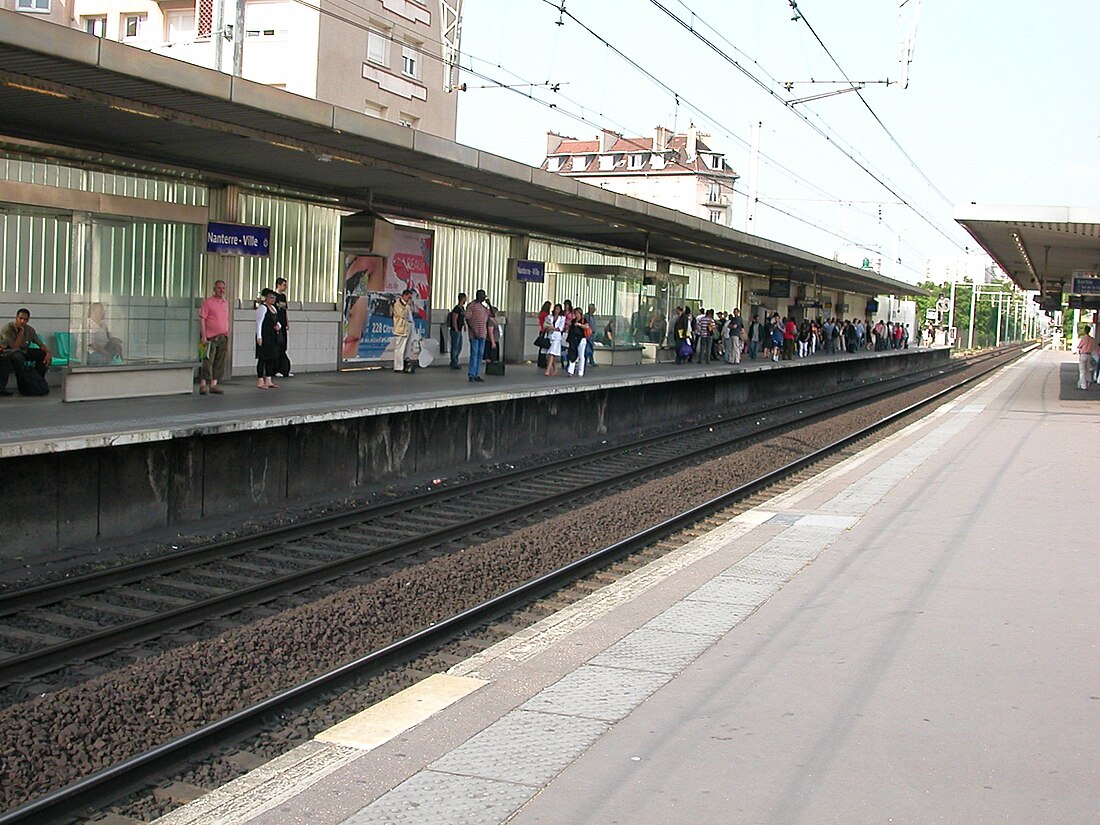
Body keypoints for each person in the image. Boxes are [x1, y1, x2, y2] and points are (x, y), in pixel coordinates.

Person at [0, 308, 51, 396]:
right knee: (18, 358)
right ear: (16, 318)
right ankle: (22, 386)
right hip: (9, 352)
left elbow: (40, 344)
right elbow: (14, 346)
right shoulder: (8, 328)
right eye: (21, 318)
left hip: (24, 351)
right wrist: (21, 332)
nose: (23, 321)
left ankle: (37, 381)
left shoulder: (30, 330)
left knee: (41, 355)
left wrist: (47, 354)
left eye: (25, 319)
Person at [198, 280, 229, 395]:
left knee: (219, 360)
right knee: (207, 360)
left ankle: (214, 384)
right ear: (214, 289)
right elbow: (202, 319)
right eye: (219, 288)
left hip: (222, 336)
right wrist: (203, 336)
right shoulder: (208, 302)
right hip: (210, 337)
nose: (221, 290)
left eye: (223, 288)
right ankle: (203, 384)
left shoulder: (225, 303)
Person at [254, 288, 282, 388]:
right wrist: (259, 336)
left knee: (271, 357)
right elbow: (259, 323)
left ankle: (268, 379)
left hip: (272, 336)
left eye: (274, 298)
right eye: (271, 297)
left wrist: (279, 326)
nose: (273, 299)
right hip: (264, 335)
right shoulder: (262, 308)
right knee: (262, 358)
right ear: (266, 298)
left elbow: (278, 321)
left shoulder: (274, 309)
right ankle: (260, 379)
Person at [85, 302, 124, 366]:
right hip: (91, 353)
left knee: (117, 348)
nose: (103, 313)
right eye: (101, 311)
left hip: (105, 349)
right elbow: (91, 344)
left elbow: (109, 338)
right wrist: (105, 352)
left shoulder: (103, 325)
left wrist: (115, 341)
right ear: (94, 311)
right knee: (104, 359)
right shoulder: (88, 324)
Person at [465, 288, 491, 383]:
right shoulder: (471, 306)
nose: (484, 297)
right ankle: (471, 374)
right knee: (474, 354)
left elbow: (493, 313)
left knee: (480, 355)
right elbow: (467, 318)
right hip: (474, 334)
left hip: (483, 333)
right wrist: (473, 331)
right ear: (479, 295)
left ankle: (477, 374)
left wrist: (489, 304)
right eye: (483, 295)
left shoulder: (484, 308)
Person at [391, 289, 415, 374]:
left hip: (409, 326)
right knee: (400, 348)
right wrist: (408, 306)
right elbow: (402, 314)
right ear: (404, 296)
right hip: (401, 328)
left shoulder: (409, 305)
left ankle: (405, 363)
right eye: (409, 297)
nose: (410, 299)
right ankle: (398, 366)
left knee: (407, 348)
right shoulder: (398, 304)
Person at [274, 277, 293, 377]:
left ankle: (284, 368)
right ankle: (276, 369)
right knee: (278, 346)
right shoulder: (274, 296)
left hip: (283, 323)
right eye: (284, 285)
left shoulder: (283, 297)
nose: (285, 287)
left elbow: (285, 310)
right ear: (279, 285)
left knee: (284, 345)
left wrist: (287, 322)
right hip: (277, 324)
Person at [567, 308, 591, 377]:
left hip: (581, 339)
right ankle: (570, 371)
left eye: (577, 313)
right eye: (575, 313)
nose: (576, 315)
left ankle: (580, 371)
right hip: (574, 339)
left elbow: (587, 327)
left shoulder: (583, 320)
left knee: (581, 356)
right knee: (572, 353)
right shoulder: (573, 320)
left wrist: (579, 325)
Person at [544, 303, 565, 377]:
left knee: (551, 353)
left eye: (558, 309)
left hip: (557, 337)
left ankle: (548, 370)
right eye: (556, 309)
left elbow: (561, 328)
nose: (557, 311)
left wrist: (553, 328)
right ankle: (555, 370)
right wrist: (548, 328)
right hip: (550, 336)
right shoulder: (550, 317)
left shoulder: (562, 318)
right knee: (549, 355)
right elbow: (545, 325)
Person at [448, 292, 467, 370]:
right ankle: (454, 362)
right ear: (462, 298)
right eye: (465, 298)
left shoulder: (462, 308)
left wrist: (464, 325)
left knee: (459, 346)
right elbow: (454, 319)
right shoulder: (456, 309)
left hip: (459, 329)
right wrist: (455, 328)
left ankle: (455, 360)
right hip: (455, 330)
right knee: (455, 346)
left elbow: (463, 318)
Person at [1076, 325, 1096, 390]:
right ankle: (1089, 382)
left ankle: (1083, 385)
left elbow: (1079, 346)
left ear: (1085, 331)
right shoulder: (1092, 339)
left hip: (1083, 355)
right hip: (1089, 355)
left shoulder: (1084, 338)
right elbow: (1093, 348)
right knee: (1088, 370)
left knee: (1082, 371)